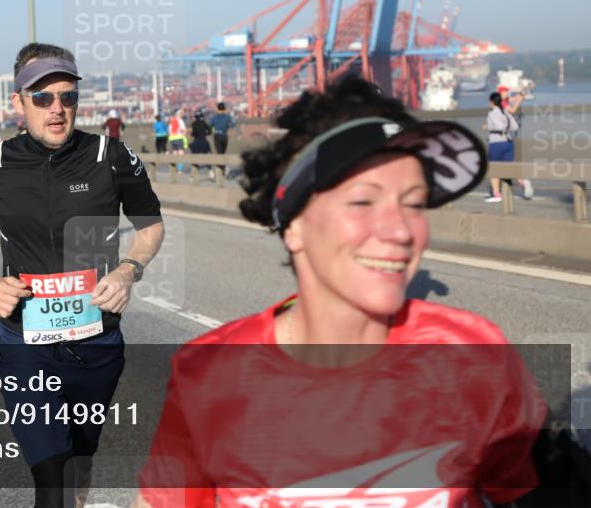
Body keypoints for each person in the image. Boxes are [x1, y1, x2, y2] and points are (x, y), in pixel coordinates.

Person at [135, 76, 546, 508]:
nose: (401, 231)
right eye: (363, 202)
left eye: (413, 204)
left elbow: (520, 492)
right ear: (293, 226)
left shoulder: (474, 353)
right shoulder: (210, 372)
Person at [0, 43, 165, 507]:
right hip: (24, 343)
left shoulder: (110, 156)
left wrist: (128, 271)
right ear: (18, 101)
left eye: (68, 97)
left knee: (78, 459)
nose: (57, 109)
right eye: (42, 97)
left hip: (96, 342)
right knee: (50, 481)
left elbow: (150, 225)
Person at [483, 92, 532, 202]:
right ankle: (523, 182)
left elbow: (499, 126)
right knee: (509, 168)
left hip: (496, 143)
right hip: (508, 143)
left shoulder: (492, 113)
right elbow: (515, 126)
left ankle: (497, 194)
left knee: (493, 168)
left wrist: (488, 126)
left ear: (491, 102)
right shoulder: (505, 112)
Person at [189, 110, 214, 180]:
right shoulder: (204, 123)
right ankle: (211, 172)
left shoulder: (194, 124)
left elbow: (193, 134)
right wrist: (205, 133)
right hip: (204, 142)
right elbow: (210, 131)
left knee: (194, 159)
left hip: (196, 143)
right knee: (206, 158)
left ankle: (192, 175)